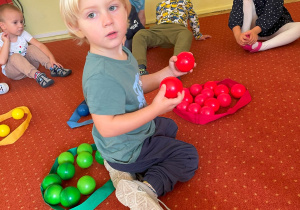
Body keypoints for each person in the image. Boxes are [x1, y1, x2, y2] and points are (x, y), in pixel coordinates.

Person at [60, 0, 199, 209]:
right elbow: (107, 127)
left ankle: (121, 168)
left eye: (113, 7)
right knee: (187, 156)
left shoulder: (121, 51)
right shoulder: (100, 76)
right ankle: (144, 188)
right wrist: (155, 109)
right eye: (91, 15)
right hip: (125, 148)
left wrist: (168, 73)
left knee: (170, 127)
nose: (108, 20)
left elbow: (136, 85)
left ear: (127, 11)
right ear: (76, 27)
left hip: (129, 138)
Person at [0, 4, 72, 88]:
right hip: (14, 72)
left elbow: (39, 45)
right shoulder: (1, 40)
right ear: (3, 26)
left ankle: (52, 67)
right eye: (15, 22)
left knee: (32, 47)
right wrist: (6, 42)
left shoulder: (23, 34)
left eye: (21, 21)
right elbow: (2, 61)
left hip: (29, 64)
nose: (20, 25)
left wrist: (51, 58)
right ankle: (37, 75)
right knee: (15, 56)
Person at [132, 0, 211, 75]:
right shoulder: (160, 5)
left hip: (178, 29)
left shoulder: (186, 2)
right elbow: (158, 21)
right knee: (140, 34)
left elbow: (193, 18)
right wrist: (153, 41)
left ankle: (177, 67)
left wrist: (198, 35)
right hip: (159, 29)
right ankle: (140, 68)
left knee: (186, 34)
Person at [228, 0, 300, 53]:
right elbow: (236, 13)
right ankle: (246, 37)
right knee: (246, 1)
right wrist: (238, 35)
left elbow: (272, 14)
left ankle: (261, 46)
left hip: (276, 27)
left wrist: (254, 31)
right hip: (253, 27)